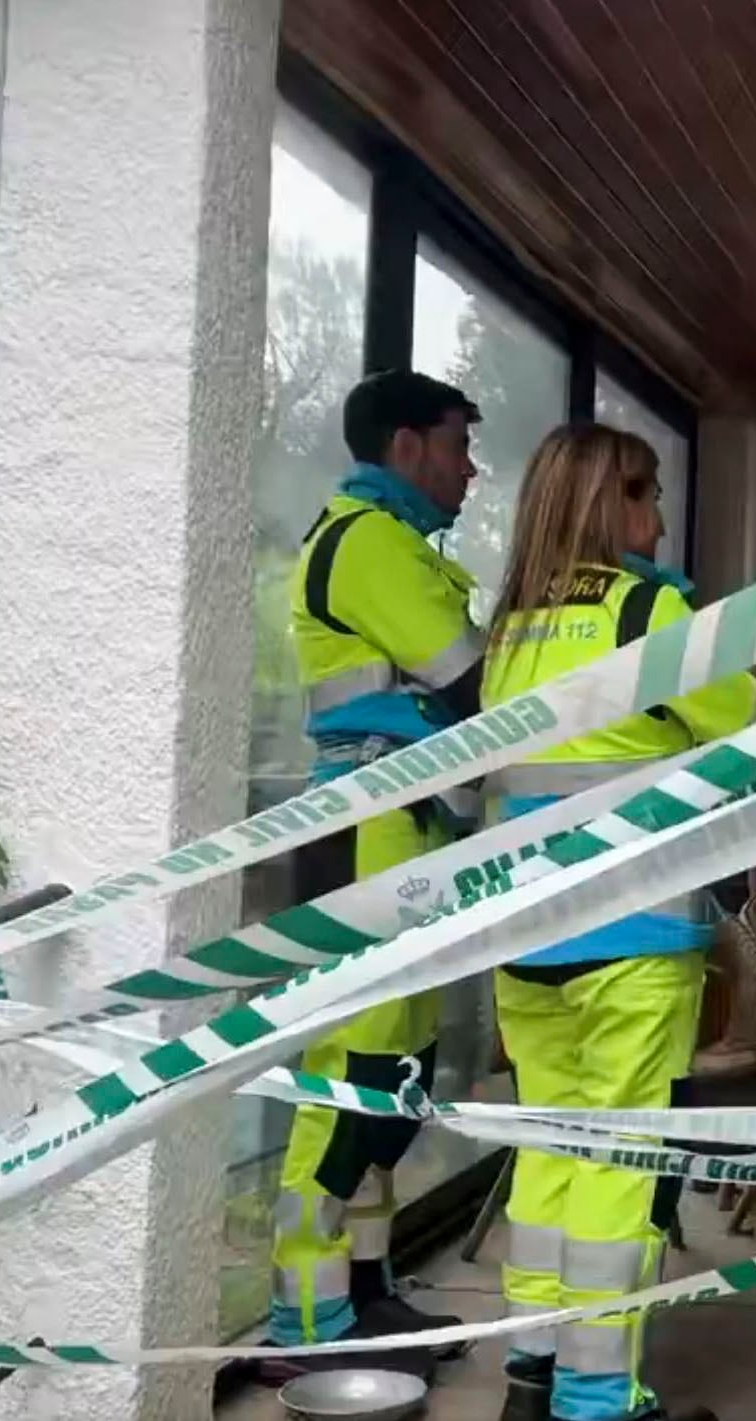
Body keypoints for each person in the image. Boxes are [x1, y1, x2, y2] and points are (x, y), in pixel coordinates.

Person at [481, 423, 756, 1421]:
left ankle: (533, 1370)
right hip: (632, 934)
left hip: (526, 939)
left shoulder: (510, 624)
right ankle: (598, 1397)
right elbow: (747, 721)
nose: (660, 516)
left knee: (549, 1147)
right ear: (614, 503)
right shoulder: (650, 608)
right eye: (647, 495)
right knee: (618, 1159)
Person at [268, 370, 488, 1378]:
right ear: (406, 448)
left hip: (407, 832)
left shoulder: (391, 542)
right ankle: (305, 1321)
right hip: (366, 835)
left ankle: (364, 1288)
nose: (470, 469)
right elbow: (470, 676)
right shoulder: (368, 543)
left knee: (391, 1079)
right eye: (456, 446)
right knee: (349, 1078)